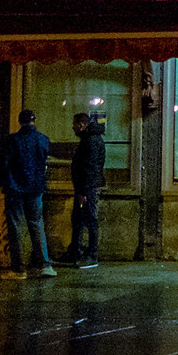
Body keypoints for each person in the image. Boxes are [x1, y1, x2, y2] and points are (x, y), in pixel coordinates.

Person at [0, 110, 54, 279]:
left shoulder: (12, 140)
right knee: (37, 225)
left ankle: (18, 269)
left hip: (15, 189)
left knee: (15, 227)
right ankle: (44, 266)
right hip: (36, 189)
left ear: (19, 121)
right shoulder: (43, 139)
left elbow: (3, 164)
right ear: (34, 121)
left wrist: (3, 183)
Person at [67, 113, 105, 267]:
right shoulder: (90, 139)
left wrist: (83, 191)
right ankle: (75, 250)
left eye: (75, 124)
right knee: (78, 218)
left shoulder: (90, 141)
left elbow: (89, 167)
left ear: (82, 124)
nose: (73, 127)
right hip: (86, 187)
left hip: (87, 188)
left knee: (89, 218)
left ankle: (91, 254)